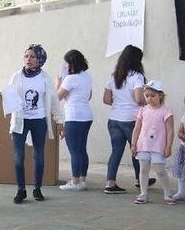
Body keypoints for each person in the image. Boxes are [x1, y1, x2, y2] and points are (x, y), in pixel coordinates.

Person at [8, 44, 64, 204]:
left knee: (39, 156)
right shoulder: (16, 76)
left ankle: (37, 188)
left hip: (39, 120)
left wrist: (59, 121)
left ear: (40, 59)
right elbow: (10, 96)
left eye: (32, 56)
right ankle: (21, 190)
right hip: (20, 120)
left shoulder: (45, 78)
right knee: (18, 157)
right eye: (26, 56)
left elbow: (54, 101)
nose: (28, 59)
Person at [103, 44, 150, 194]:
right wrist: (146, 101)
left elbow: (106, 99)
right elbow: (138, 99)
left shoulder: (114, 76)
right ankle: (139, 179)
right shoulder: (137, 76)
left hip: (114, 119)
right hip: (132, 119)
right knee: (136, 149)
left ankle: (110, 183)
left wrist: (119, 103)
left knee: (116, 150)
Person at [130, 81, 175, 205]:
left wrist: (168, 146)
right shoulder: (142, 110)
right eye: (147, 96)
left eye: (153, 95)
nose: (149, 98)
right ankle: (143, 194)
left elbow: (170, 131)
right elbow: (137, 128)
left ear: (160, 95)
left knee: (160, 170)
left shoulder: (166, 111)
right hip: (143, 145)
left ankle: (168, 193)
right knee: (143, 170)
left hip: (158, 146)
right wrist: (133, 144)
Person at [57, 49, 93, 191]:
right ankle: (83, 180)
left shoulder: (70, 79)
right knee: (82, 149)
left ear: (70, 64)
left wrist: (59, 80)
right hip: (87, 115)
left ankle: (75, 181)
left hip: (74, 116)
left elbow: (57, 97)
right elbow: (89, 96)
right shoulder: (87, 76)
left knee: (74, 151)